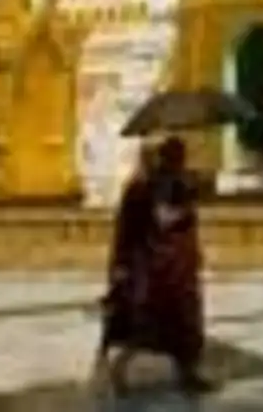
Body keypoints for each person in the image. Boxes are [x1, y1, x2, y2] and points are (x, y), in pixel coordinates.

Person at [98, 137, 213, 395]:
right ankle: (122, 370)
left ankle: (186, 373)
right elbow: (160, 220)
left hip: (172, 268)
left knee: (177, 325)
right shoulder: (146, 187)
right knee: (156, 326)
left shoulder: (163, 183)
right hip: (162, 271)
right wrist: (185, 211)